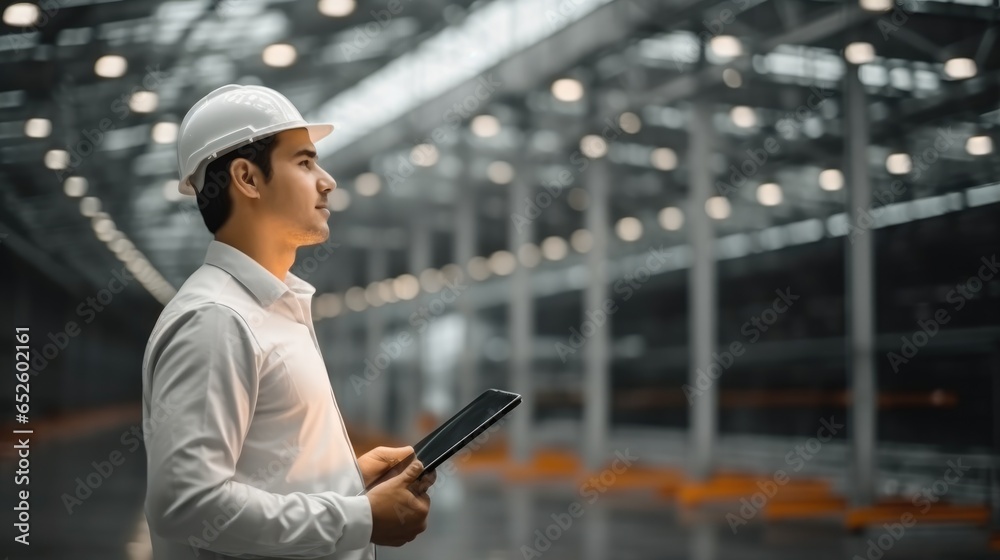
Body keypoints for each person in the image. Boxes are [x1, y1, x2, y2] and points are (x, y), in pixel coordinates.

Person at [141, 84, 434, 560]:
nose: (327, 181)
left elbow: (262, 472)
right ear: (247, 178)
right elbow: (186, 504)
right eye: (304, 162)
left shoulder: (273, 308)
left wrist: (346, 481)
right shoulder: (217, 320)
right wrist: (361, 518)